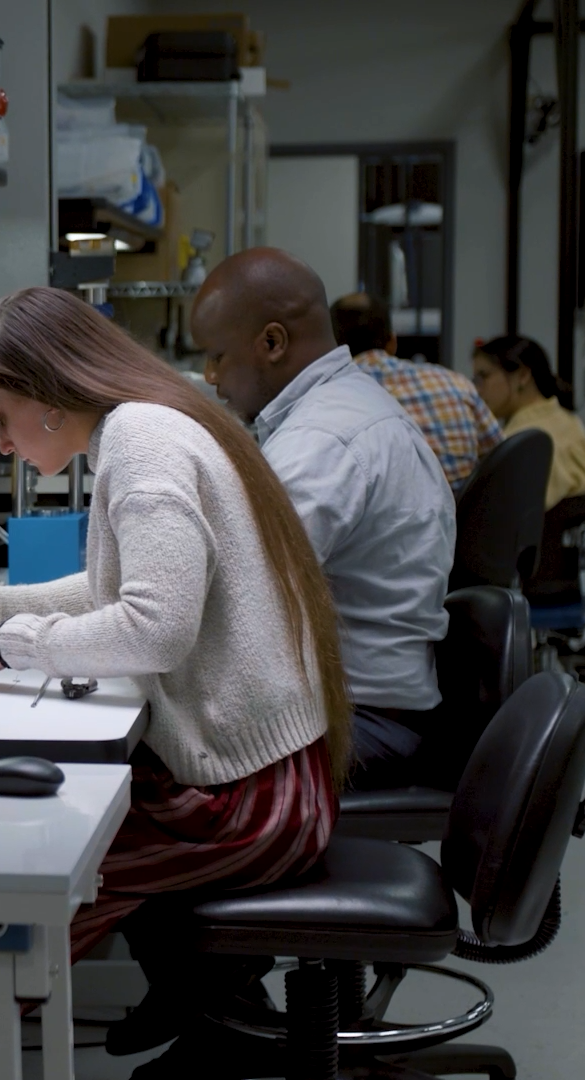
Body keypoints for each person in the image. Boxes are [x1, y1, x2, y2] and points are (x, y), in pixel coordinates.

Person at [0, 285, 351, 1080]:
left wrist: (7, 644)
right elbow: (122, 589)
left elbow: (155, 625)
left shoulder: (142, 439)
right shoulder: (145, 425)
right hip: (257, 781)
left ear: (46, 393)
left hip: (248, 805)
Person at [191, 248, 456, 788]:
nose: (209, 375)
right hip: (373, 707)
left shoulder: (322, 442)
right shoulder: (340, 410)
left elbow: (232, 599)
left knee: (134, 783)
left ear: (272, 342)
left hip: (361, 724)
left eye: (218, 355)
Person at [330, 291, 503, 494]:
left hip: (393, 522)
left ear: (332, 348)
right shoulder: (456, 383)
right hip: (468, 521)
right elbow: (501, 457)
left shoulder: (329, 400)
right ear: (392, 342)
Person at [470, 334, 585, 509]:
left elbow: (506, 520)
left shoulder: (525, 439)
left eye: (484, 376)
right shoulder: (566, 421)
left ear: (523, 375)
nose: (476, 389)